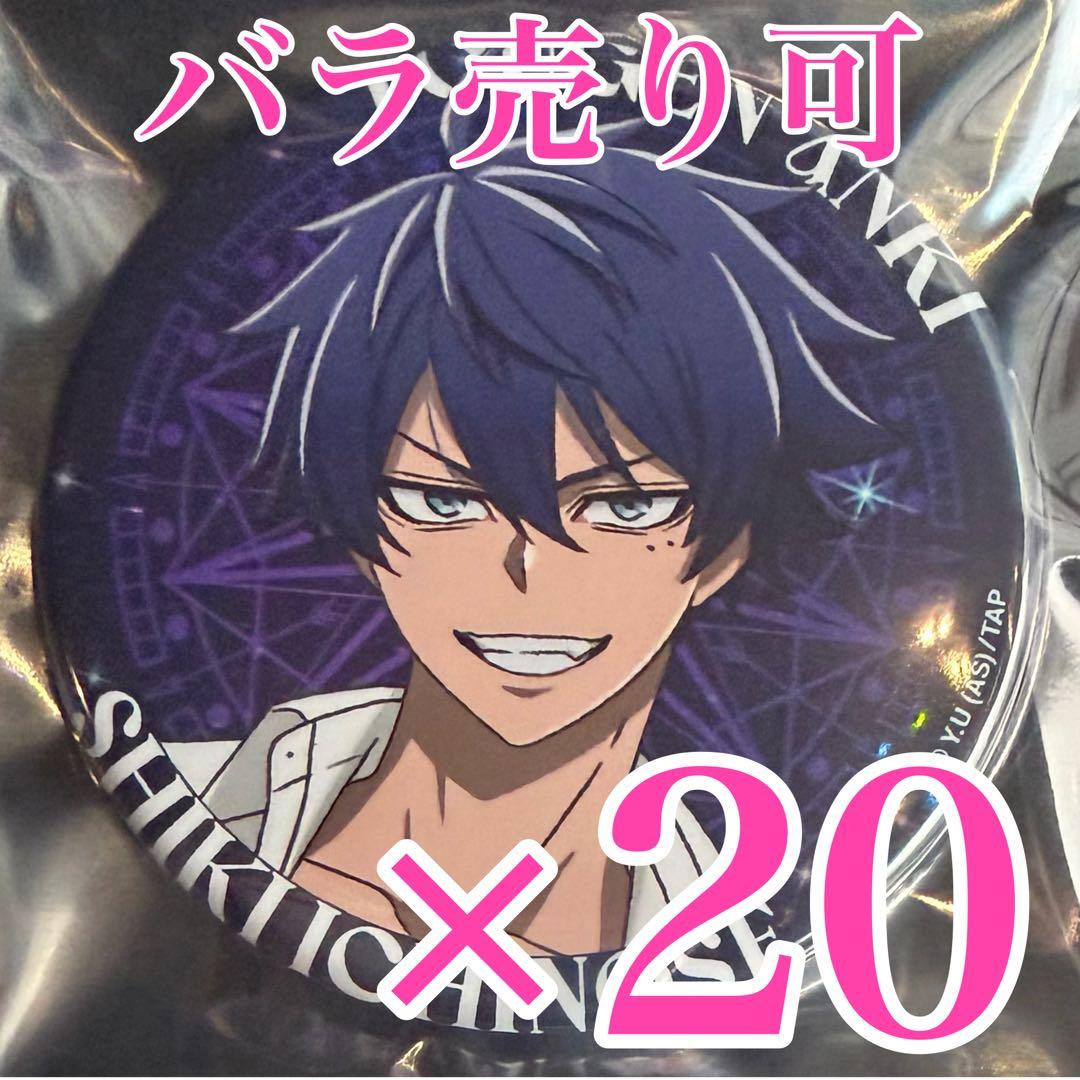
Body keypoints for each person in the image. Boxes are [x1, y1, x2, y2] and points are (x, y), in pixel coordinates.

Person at [167, 130, 890, 957]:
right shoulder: (195, 802)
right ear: (364, 530)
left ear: (726, 549)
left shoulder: (728, 947)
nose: (529, 570)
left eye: (622, 507)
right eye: (444, 500)